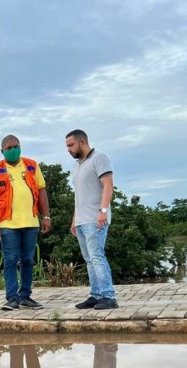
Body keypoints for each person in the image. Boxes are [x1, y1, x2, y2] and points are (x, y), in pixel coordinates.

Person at [0, 135, 52, 311]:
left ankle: (25, 296)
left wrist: (46, 216)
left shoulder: (32, 165)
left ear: (20, 147)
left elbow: (41, 191)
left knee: (28, 260)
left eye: (16, 146)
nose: (13, 150)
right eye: (9, 148)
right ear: (2, 151)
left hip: (31, 222)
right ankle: (12, 298)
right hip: (7, 224)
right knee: (10, 261)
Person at [66, 129, 118, 310]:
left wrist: (103, 211)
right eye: (67, 146)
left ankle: (109, 296)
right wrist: (75, 219)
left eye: (71, 145)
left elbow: (108, 185)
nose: (69, 149)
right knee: (89, 259)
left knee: (97, 256)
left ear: (82, 142)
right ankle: (96, 295)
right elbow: (79, 195)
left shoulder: (99, 158)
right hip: (82, 220)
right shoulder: (76, 166)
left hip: (95, 218)